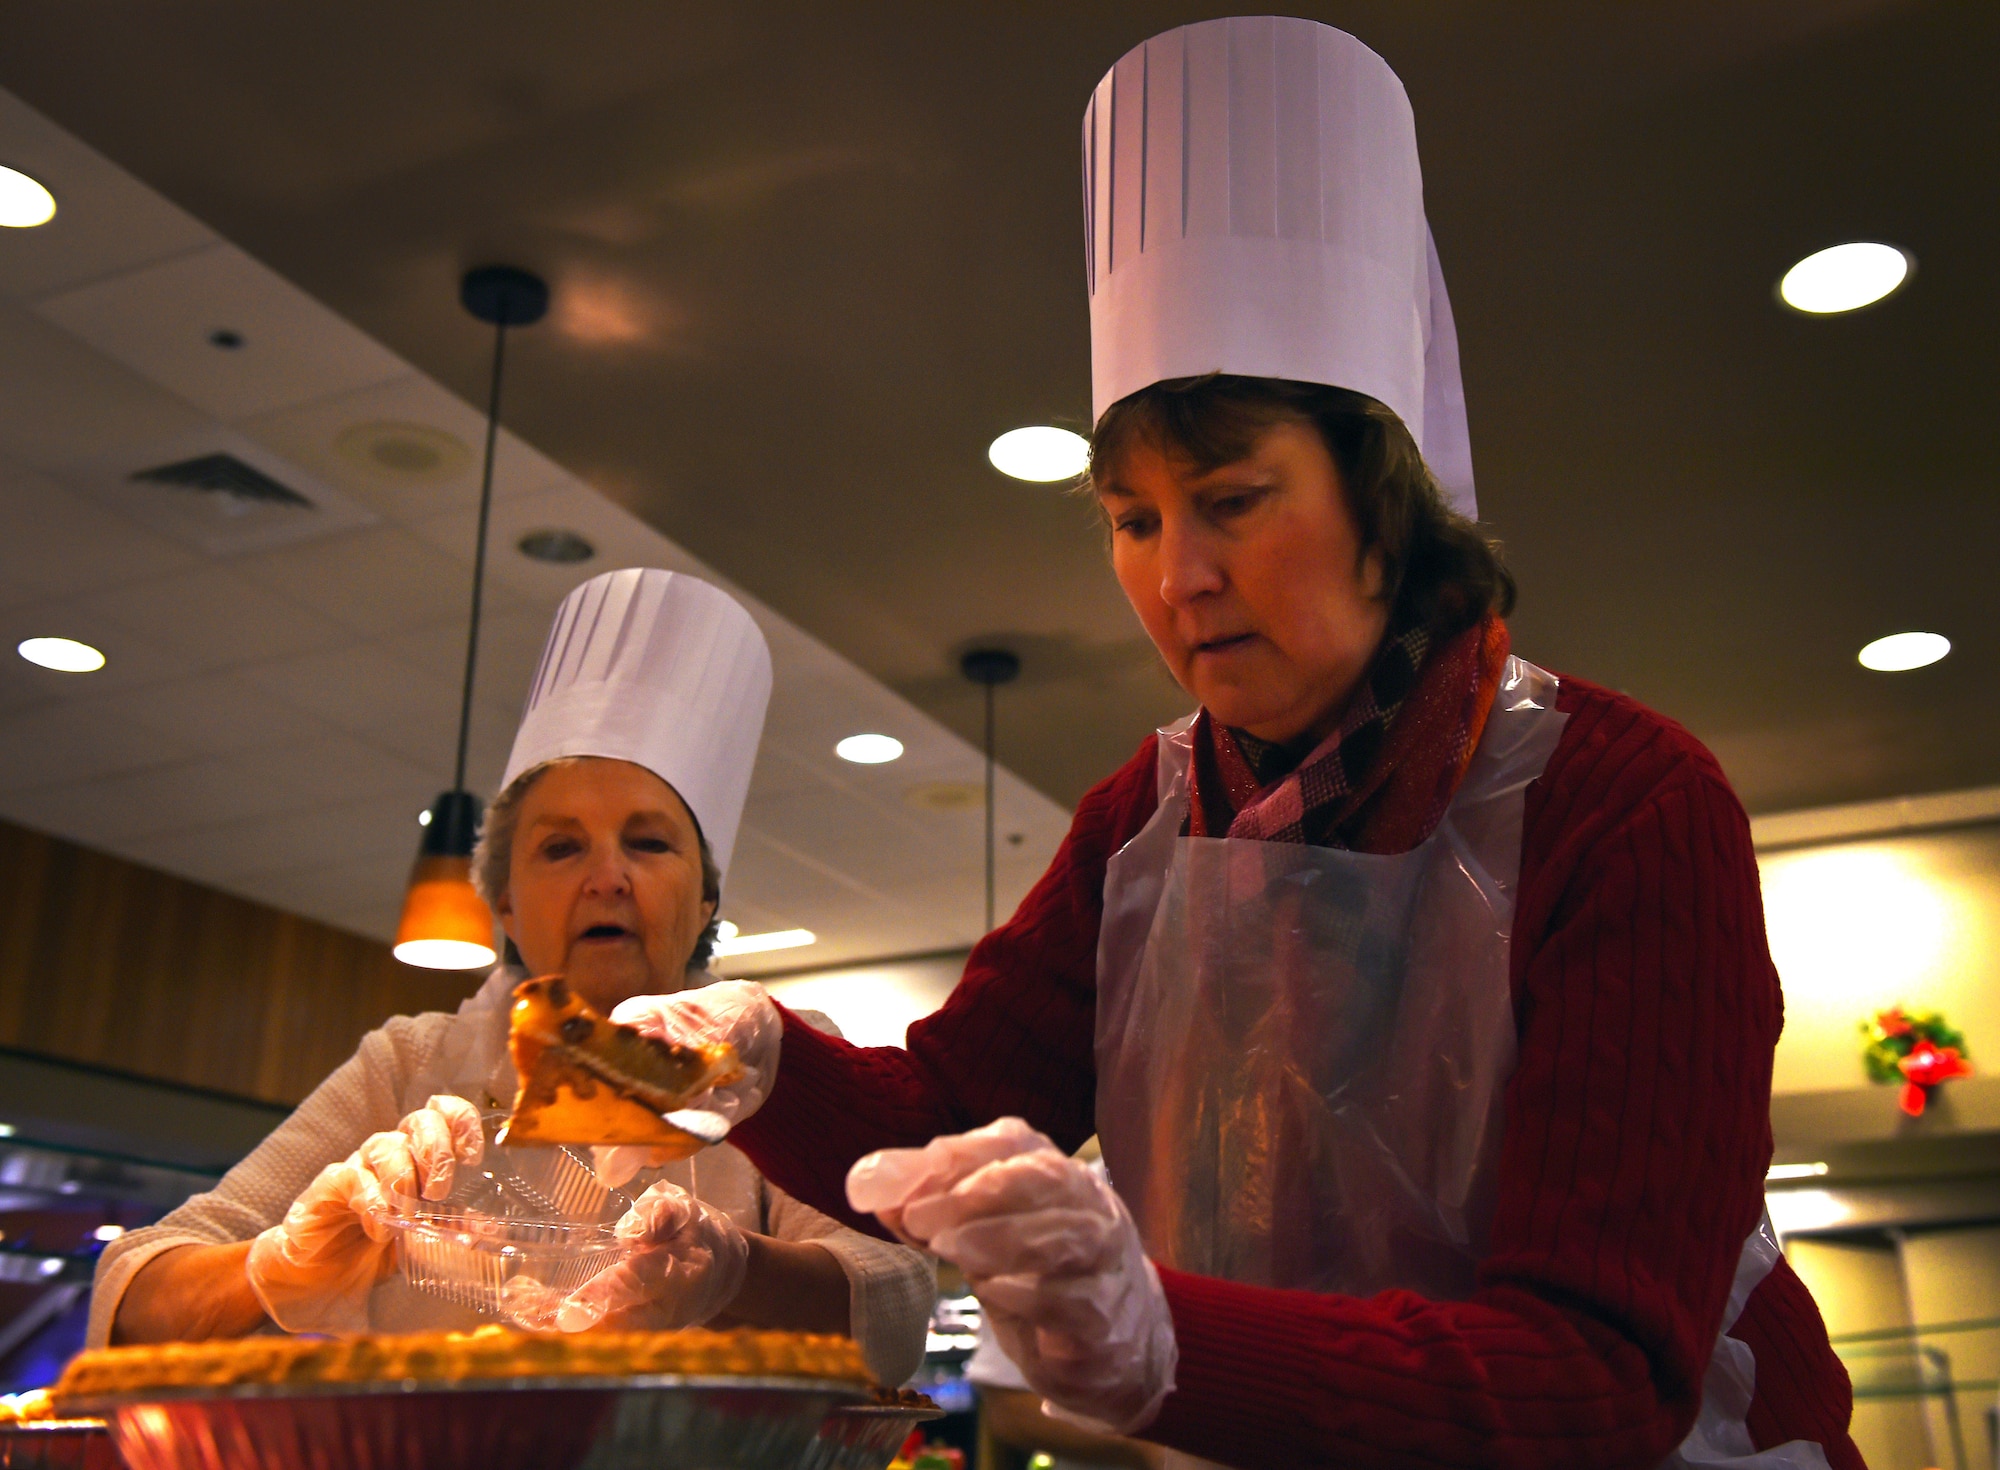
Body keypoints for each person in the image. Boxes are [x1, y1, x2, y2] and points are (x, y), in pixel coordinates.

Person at [606, 20, 1860, 1470]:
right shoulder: (1149, 812)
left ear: (1388, 499)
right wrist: (748, 1059)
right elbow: (939, 1119)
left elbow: (1596, 1374)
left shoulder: (1624, 803)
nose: (1175, 575)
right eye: (1133, 521)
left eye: (1233, 496)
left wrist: (1158, 1337)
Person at [87, 569, 933, 1386]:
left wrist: (733, 1270)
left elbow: (894, 1306)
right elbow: (132, 1297)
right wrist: (274, 1266)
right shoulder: (411, 1063)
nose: (608, 877)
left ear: (705, 894)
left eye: (648, 843)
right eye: (561, 848)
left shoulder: (781, 1058)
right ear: (502, 905)